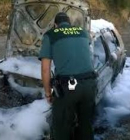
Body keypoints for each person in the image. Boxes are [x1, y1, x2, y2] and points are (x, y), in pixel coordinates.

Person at [39, 12, 97, 140]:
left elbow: (45, 69)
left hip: (68, 88)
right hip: (90, 85)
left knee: (61, 128)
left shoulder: (51, 35)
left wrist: (48, 93)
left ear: (55, 25)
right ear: (69, 23)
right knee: (86, 125)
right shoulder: (82, 32)